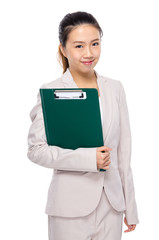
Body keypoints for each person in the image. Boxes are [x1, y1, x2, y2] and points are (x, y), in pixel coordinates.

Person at [27, 11, 139, 240]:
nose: (89, 53)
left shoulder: (115, 88)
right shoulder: (51, 92)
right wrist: (88, 159)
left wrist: (130, 206)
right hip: (69, 210)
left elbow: (123, 153)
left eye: (95, 44)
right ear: (63, 49)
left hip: (112, 207)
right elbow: (36, 150)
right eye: (79, 46)